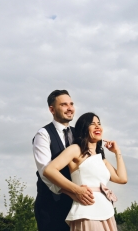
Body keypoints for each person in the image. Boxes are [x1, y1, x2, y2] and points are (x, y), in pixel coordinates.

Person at [44, 112, 127, 231]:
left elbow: (122, 179)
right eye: (92, 124)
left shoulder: (101, 159)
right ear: (84, 128)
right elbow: (49, 170)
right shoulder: (75, 149)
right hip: (87, 211)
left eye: (99, 123)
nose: (97, 126)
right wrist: (76, 189)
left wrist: (117, 152)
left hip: (107, 212)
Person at [33, 90, 95, 231]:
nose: (70, 108)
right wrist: (73, 191)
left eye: (71, 104)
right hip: (50, 206)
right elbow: (45, 172)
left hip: (78, 205)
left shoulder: (79, 134)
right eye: (64, 105)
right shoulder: (43, 135)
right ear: (52, 109)